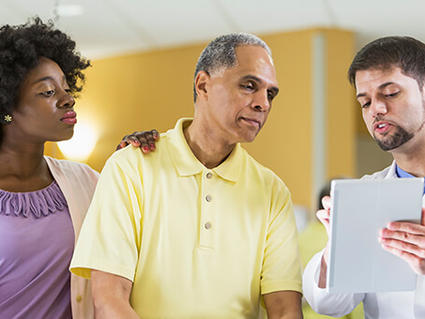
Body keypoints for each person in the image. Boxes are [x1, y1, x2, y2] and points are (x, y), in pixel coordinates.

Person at [70, 33, 303, 318]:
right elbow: (109, 298)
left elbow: (285, 310)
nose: (263, 103)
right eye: (249, 86)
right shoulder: (130, 167)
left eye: (270, 94)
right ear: (203, 85)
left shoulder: (273, 192)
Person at [0, 18, 153, 319]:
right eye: (47, 92)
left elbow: (137, 241)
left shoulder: (85, 181)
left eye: (66, 88)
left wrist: (130, 167)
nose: (68, 99)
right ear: (6, 109)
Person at [303, 36, 425, 319]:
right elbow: (330, 305)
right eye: (365, 101)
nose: (375, 110)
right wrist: (337, 249)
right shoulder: (366, 194)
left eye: (391, 93)